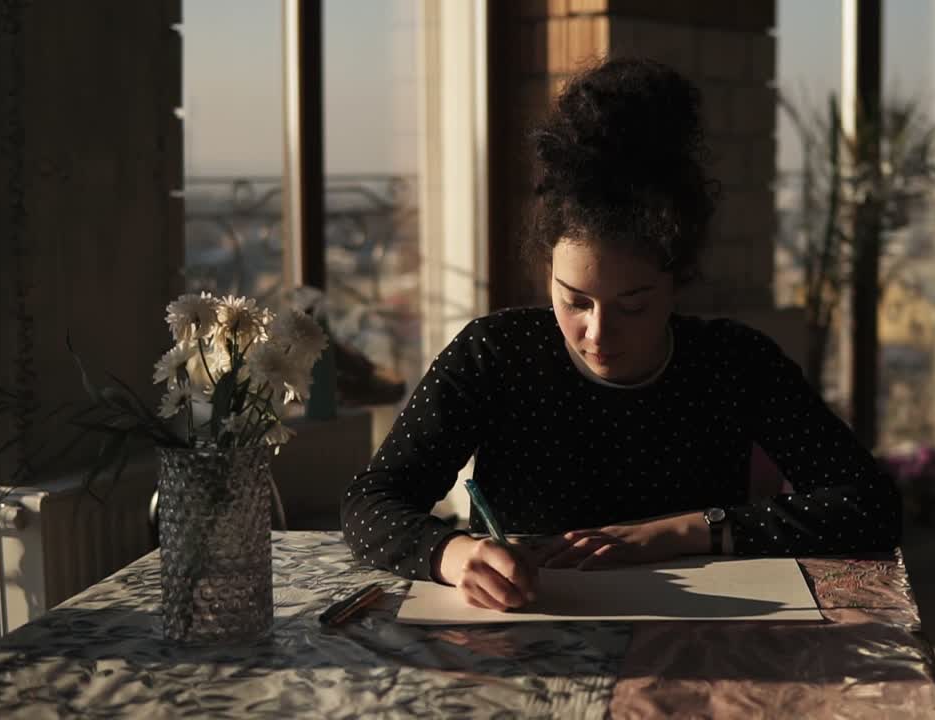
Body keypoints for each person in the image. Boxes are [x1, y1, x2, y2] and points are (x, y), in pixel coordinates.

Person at [342, 57, 901, 612]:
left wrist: (686, 531)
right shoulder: (495, 353)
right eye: (574, 301)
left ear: (677, 282)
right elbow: (371, 501)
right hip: (528, 633)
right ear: (547, 275)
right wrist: (457, 554)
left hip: (699, 636)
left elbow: (870, 505)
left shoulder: (735, 362)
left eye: (633, 304)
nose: (598, 333)